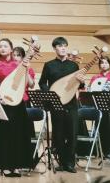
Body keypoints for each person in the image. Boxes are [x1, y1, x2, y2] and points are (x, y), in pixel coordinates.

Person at [0, 38, 35, 177]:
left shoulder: (19, 64)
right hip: (3, 103)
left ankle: (16, 165)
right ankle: (5, 165)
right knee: (4, 135)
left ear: (11, 49)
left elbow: (31, 84)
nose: (2, 48)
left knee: (17, 135)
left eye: (5, 46)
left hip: (18, 103)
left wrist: (26, 68)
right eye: (0, 46)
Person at [38, 36, 82, 173]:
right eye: (59, 46)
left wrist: (82, 81)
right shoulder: (49, 65)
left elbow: (79, 84)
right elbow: (42, 82)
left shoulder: (74, 65)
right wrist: (51, 94)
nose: (63, 48)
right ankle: (62, 162)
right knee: (59, 134)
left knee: (72, 133)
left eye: (64, 46)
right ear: (54, 48)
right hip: (56, 104)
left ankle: (70, 163)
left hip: (71, 104)